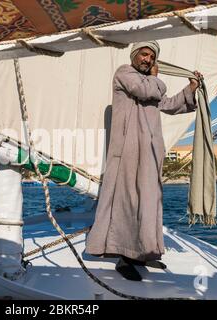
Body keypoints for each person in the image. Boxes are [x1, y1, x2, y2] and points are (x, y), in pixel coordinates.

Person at [85, 41, 202, 281]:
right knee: (129, 201)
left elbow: (167, 104)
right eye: (144, 54)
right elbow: (146, 90)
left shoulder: (152, 83)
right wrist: (157, 78)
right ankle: (123, 257)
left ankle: (143, 251)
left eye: (151, 56)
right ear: (135, 55)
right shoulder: (125, 73)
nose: (147, 59)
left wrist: (190, 89)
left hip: (149, 151)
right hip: (127, 152)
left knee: (149, 201)